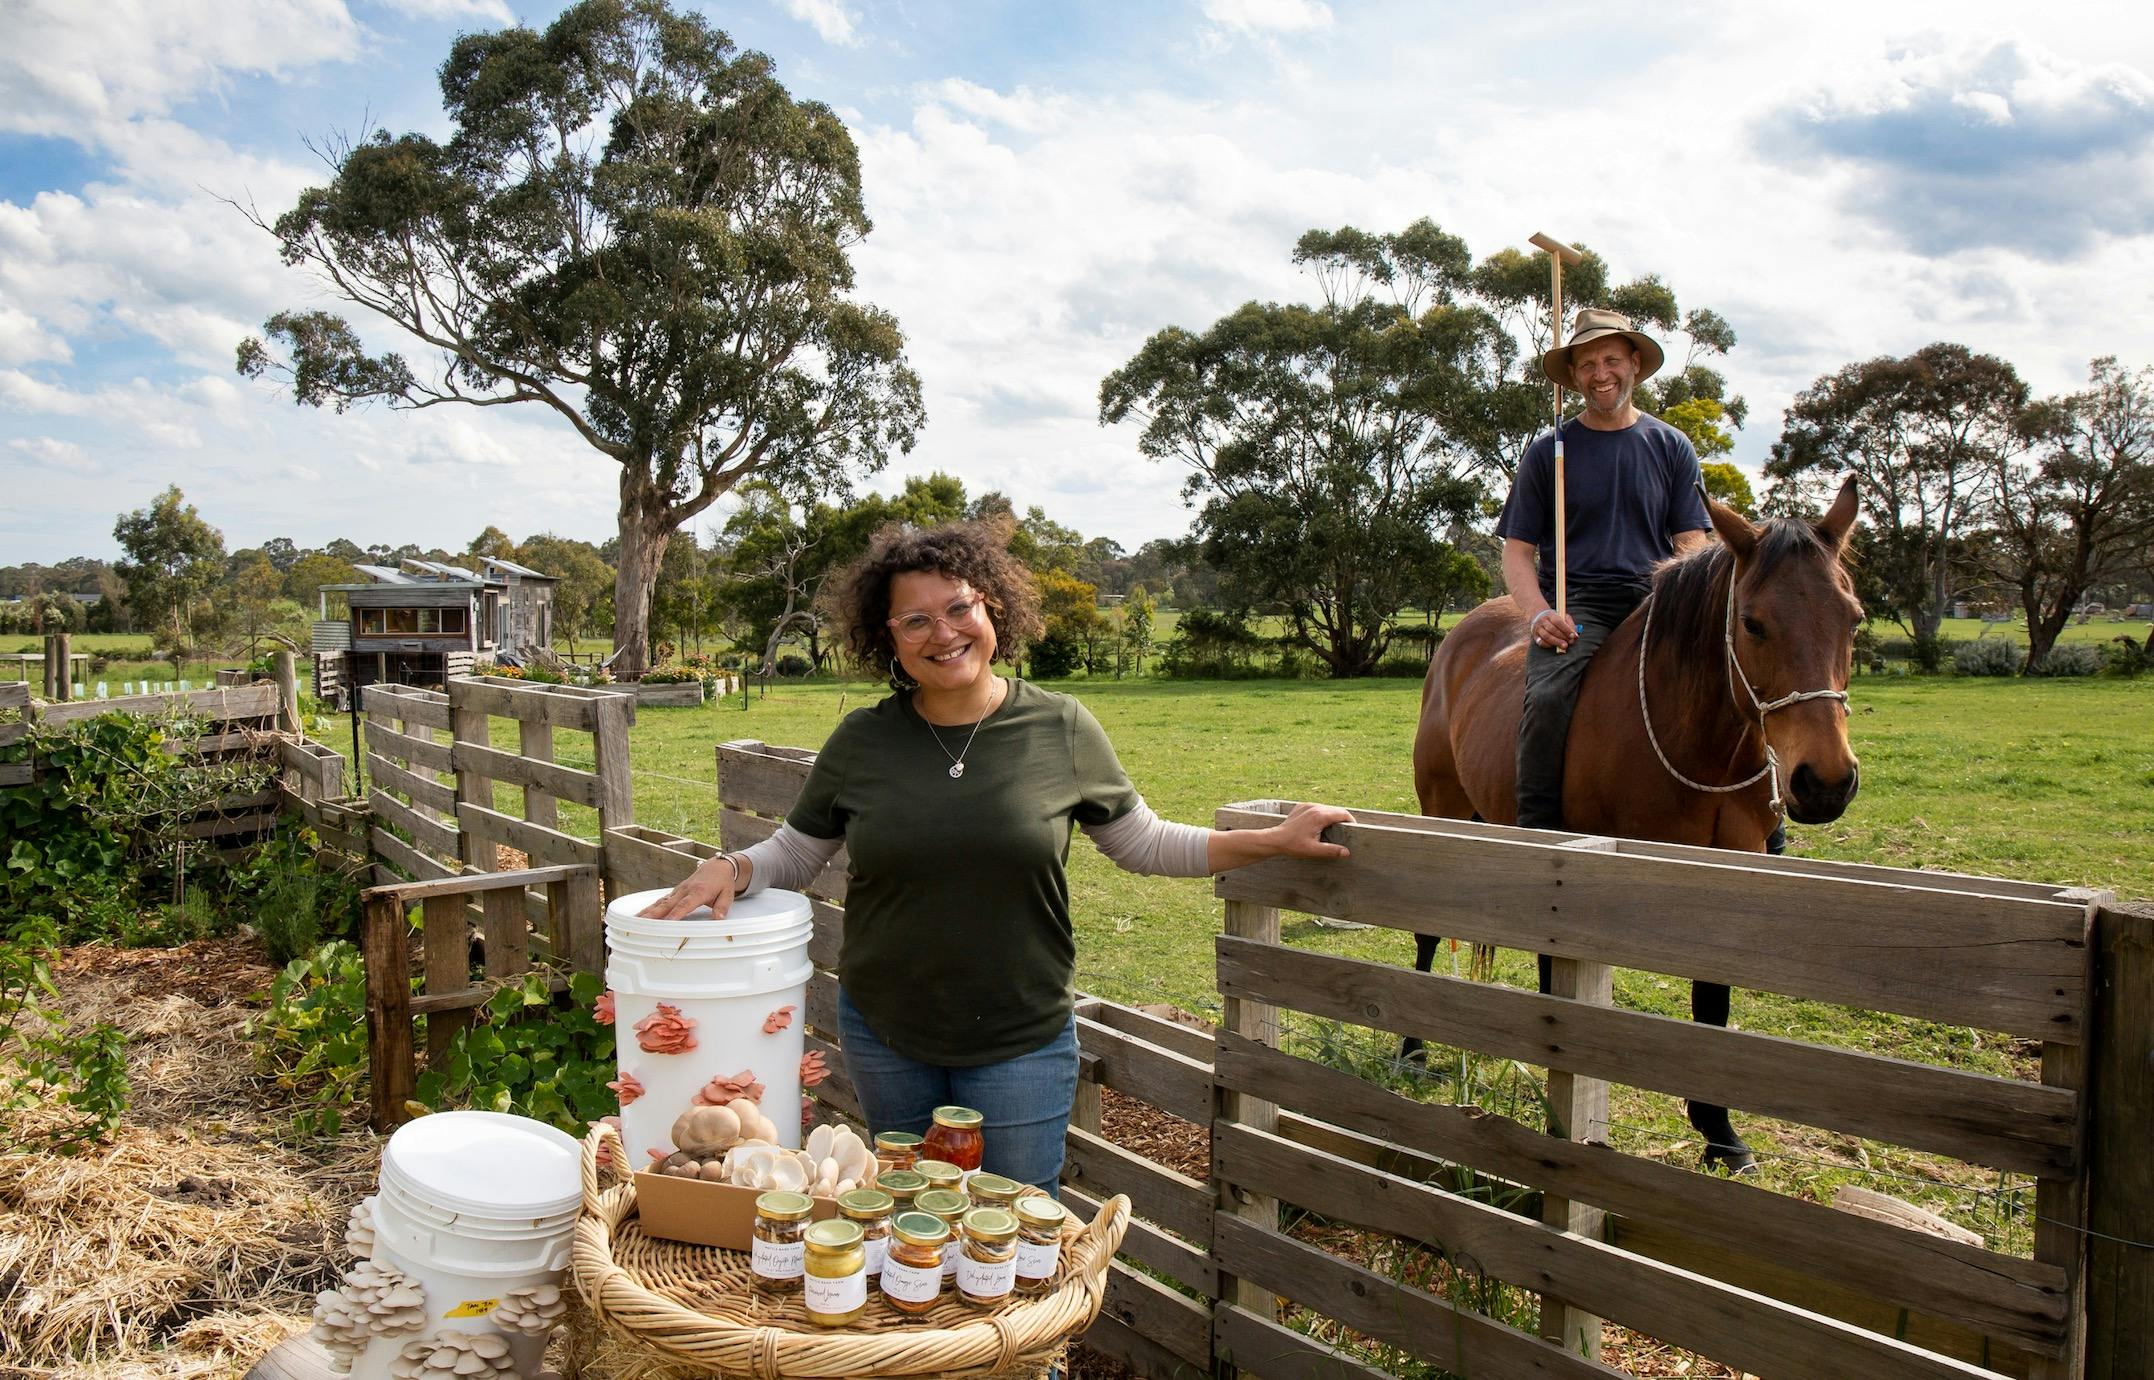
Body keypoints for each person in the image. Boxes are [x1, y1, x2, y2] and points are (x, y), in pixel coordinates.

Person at [640, 521, 1351, 1194]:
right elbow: (797, 851)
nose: (942, 633)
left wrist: (1273, 841)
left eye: (958, 608)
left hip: (1020, 1041)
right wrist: (730, 868)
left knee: (1009, 1231)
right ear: (886, 637)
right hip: (887, 1031)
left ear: (993, 607)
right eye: (914, 620)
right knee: (911, 1218)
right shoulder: (863, 740)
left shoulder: (1060, 726)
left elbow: (1143, 841)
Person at [1494, 307, 1712, 832]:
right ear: (1573, 376)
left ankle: (1768, 830)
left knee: (1733, 681)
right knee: (1548, 696)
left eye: (1611, 359)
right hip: (1581, 605)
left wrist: (1686, 607)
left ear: (1634, 364)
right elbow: (1518, 552)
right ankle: (1538, 830)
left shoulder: (1670, 445)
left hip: (1657, 602)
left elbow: (1692, 542)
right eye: (1587, 363)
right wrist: (1539, 615)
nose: (1600, 373)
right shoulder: (1551, 451)